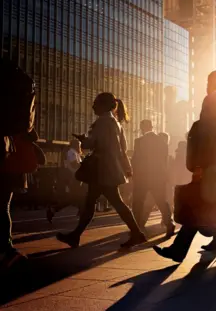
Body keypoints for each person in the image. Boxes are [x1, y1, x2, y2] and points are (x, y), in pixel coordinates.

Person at [154, 70, 216, 267]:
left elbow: (206, 135)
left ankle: (182, 249)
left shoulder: (212, 101)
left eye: (208, 82)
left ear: (213, 83)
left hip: (215, 166)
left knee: (200, 205)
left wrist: (199, 166)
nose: (206, 86)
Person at [57, 93, 146, 249]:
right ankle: (76, 235)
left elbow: (92, 144)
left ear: (103, 105)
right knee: (95, 201)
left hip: (102, 169)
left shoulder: (102, 122)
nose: (93, 107)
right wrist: (126, 168)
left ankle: (136, 233)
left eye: (95, 104)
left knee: (109, 202)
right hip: (110, 169)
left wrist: (83, 139)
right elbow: (123, 149)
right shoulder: (116, 124)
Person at [0, 59, 37, 270]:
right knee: (2, 202)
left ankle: (6, 249)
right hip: (4, 148)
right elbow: (27, 126)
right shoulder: (18, 81)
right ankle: (6, 249)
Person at [131, 120, 175, 237]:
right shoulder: (162, 142)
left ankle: (137, 227)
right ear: (152, 127)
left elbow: (135, 160)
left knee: (138, 202)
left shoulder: (139, 141)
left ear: (142, 128)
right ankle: (169, 223)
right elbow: (164, 161)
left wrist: (134, 175)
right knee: (161, 201)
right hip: (158, 176)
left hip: (143, 177)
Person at [47, 139, 84, 222]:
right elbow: (74, 165)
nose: (80, 146)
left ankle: (82, 213)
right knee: (73, 198)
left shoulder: (75, 153)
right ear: (75, 145)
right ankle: (53, 209)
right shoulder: (72, 152)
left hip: (77, 178)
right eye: (78, 144)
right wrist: (83, 165)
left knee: (77, 197)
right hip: (74, 178)